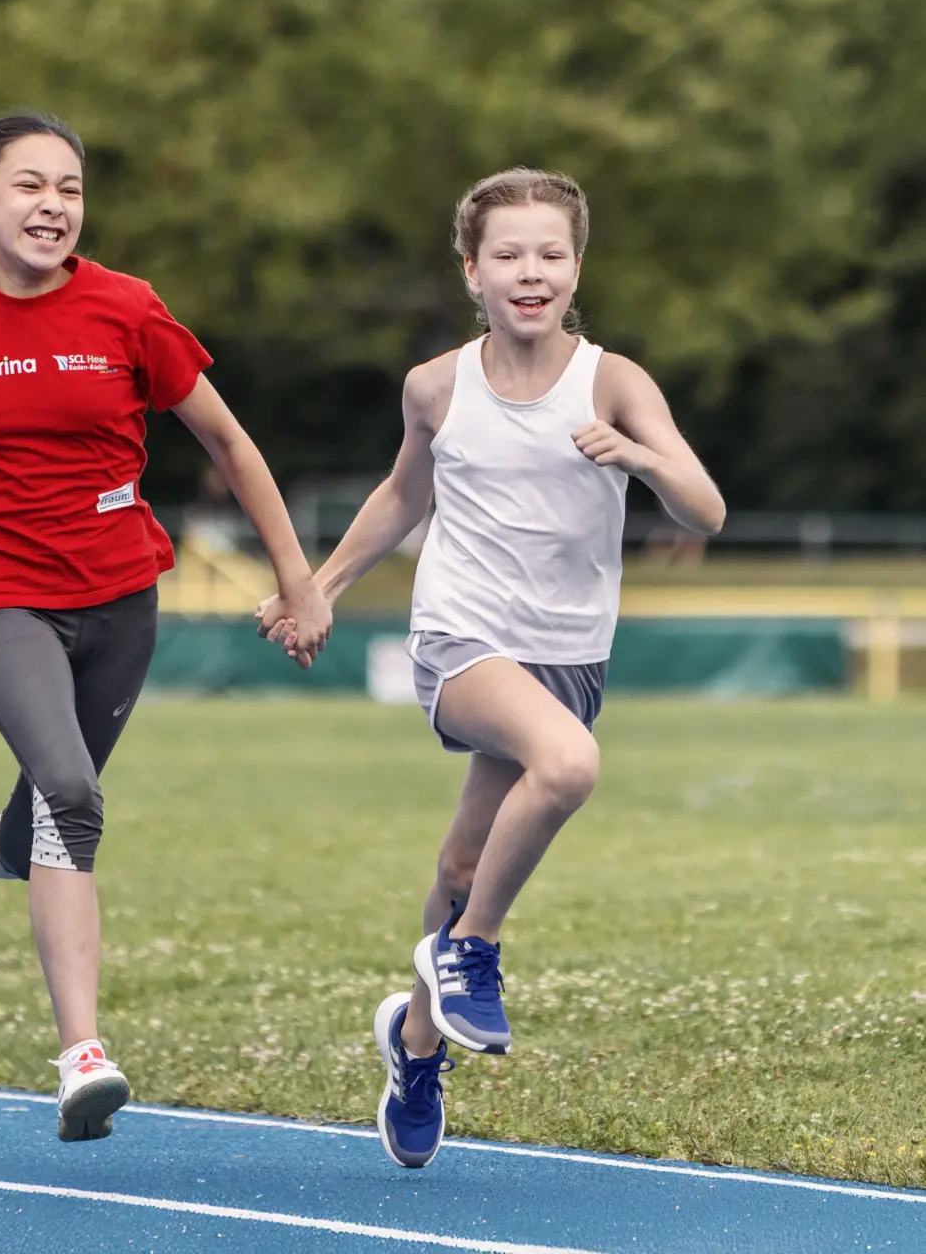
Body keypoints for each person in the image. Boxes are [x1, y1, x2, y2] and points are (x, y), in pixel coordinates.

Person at [0, 111, 332, 1143]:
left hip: (123, 598)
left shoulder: (127, 309)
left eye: (70, 190)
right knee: (72, 799)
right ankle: (82, 1055)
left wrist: (297, 579)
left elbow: (227, 441)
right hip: (3, 598)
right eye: (30, 187)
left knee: (39, 821)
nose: (53, 206)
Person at [259, 168, 725, 1169]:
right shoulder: (435, 385)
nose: (530, 272)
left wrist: (640, 459)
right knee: (567, 766)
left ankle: (417, 1043)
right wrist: (322, 587)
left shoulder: (613, 382)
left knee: (464, 866)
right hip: (462, 639)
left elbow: (705, 509)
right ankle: (470, 951)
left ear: (574, 266)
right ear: (472, 270)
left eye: (549, 254)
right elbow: (400, 496)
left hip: (569, 654)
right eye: (507, 254)